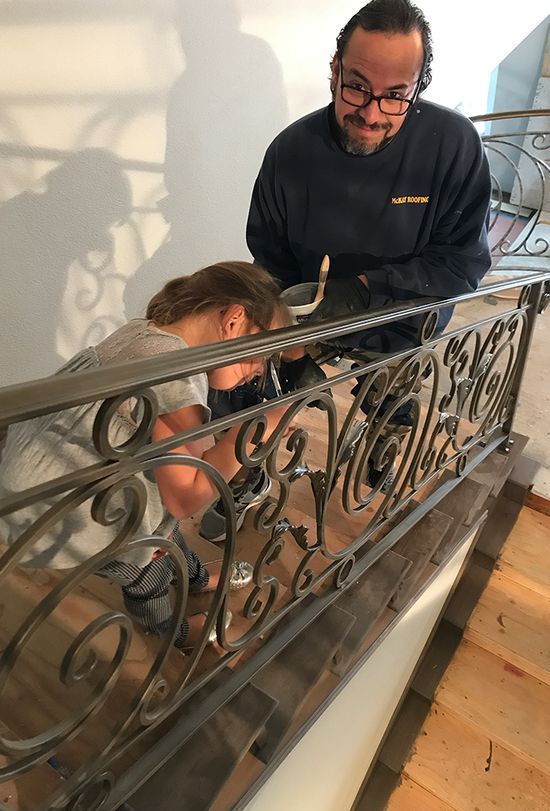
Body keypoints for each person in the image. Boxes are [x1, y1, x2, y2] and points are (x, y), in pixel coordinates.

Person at [200, 0, 492, 536]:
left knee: (392, 392)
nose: (372, 112)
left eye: (395, 96)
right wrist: (288, 322)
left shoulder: (454, 147)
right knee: (236, 366)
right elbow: (268, 250)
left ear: (417, 87)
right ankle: (240, 473)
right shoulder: (291, 151)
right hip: (311, 307)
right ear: (334, 70)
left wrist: (359, 292)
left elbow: (465, 261)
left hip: (405, 315)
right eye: (356, 86)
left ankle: (385, 436)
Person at [0, 262, 288, 650]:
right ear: (235, 320)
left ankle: (195, 576)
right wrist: (260, 427)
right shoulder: (176, 379)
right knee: (147, 562)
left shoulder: (148, 333)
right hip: (61, 511)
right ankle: (173, 631)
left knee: (158, 511)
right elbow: (188, 496)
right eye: (262, 353)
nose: (258, 372)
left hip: (34, 476)